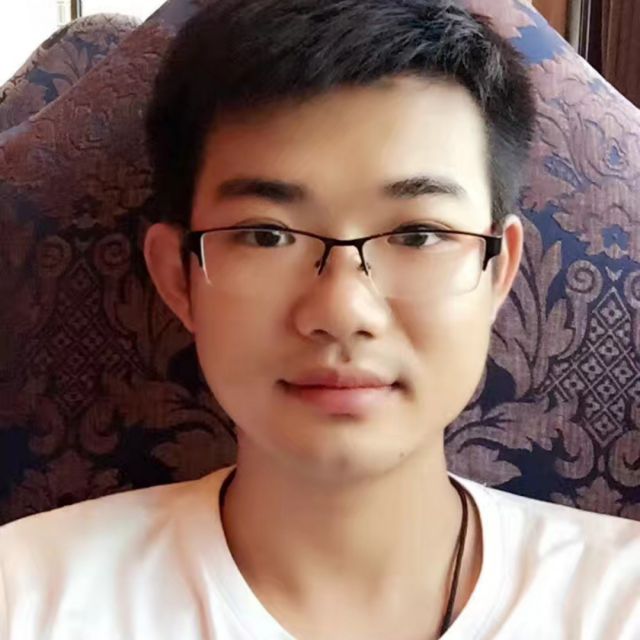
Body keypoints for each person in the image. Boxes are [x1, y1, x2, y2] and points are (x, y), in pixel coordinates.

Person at [1, 0, 639, 638]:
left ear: (498, 271)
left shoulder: (618, 601)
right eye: (266, 234)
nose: (342, 311)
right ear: (178, 276)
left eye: (418, 235)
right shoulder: (27, 597)